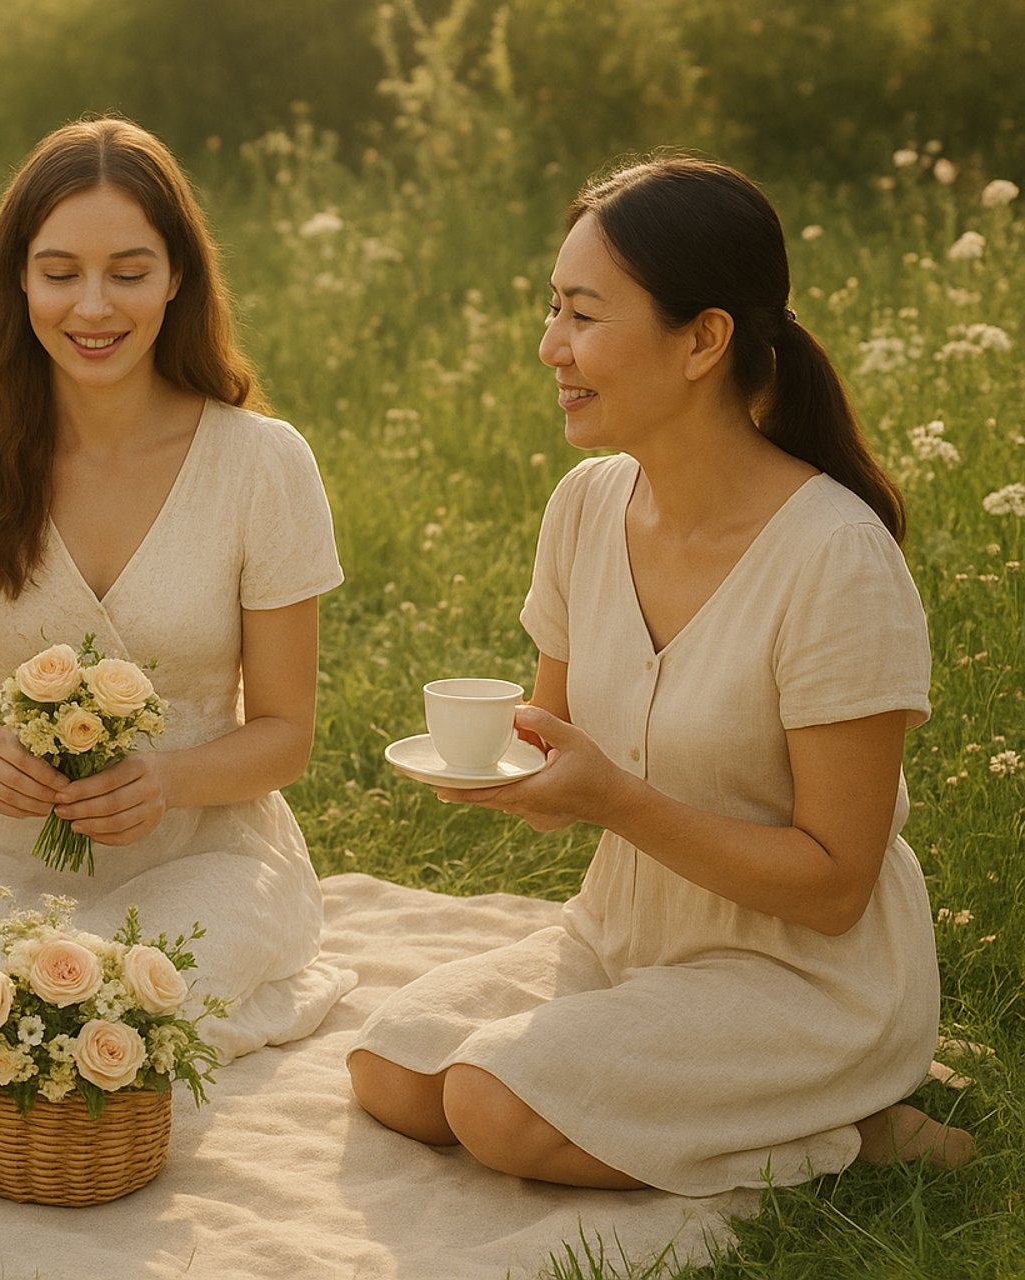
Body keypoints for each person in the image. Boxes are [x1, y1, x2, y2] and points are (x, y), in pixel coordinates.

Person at [347, 156, 972, 1192]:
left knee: (492, 1107)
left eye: (584, 315)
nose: (551, 346)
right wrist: (508, 767)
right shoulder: (588, 504)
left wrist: (615, 800)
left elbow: (834, 883)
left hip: (802, 976)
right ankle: (687, 1085)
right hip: (623, 935)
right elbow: (550, 729)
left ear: (704, 338)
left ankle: (852, 1125)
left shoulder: (834, 557)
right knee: (394, 1066)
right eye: (553, 308)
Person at [0, 117, 354, 1063]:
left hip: (208, 847)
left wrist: (168, 780)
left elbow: (285, 736)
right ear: (19, 278)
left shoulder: (263, 464)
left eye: (128, 272)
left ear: (178, 277)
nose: (93, 307)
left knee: (143, 994)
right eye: (60, 273)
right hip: (6, 846)